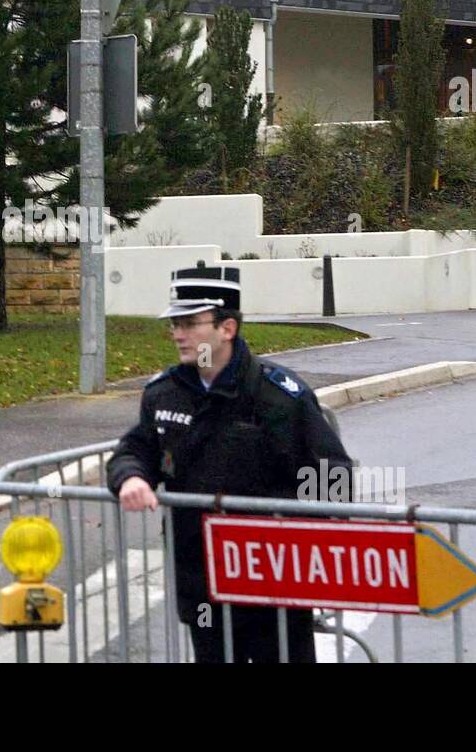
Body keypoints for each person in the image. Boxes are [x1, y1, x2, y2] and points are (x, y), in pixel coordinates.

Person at [106, 263, 353, 663]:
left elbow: (332, 475)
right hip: (200, 575)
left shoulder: (278, 397)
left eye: (189, 323)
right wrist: (131, 477)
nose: (177, 334)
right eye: (174, 323)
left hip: (275, 579)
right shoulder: (164, 393)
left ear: (227, 329)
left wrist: (303, 538)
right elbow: (136, 450)